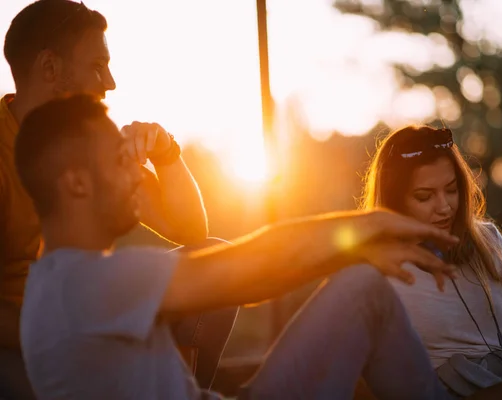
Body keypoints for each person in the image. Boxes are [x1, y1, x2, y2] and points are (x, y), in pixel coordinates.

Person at [15, 94, 464, 399]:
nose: (136, 174)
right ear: (75, 183)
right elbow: (250, 266)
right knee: (366, 290)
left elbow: (255, 275)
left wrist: (351, 251)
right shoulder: (82, 285)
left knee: (363, 284)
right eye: (119, 161)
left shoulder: (65, 283)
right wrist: (366, 228)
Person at [0, 0, 223, 397]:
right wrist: (74, 330)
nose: (111, 83)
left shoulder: (94, 144)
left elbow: (191, 232)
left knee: (214, 258)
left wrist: (166, 154)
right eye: (98, 66)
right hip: (29, 345)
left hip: (101, 313)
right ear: (50, 68)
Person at [360, 125, 502, 399]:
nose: (444, 206)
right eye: (425, 196)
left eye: (451, 190)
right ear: (394, 202)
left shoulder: (488, 240)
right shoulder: (377, 265)